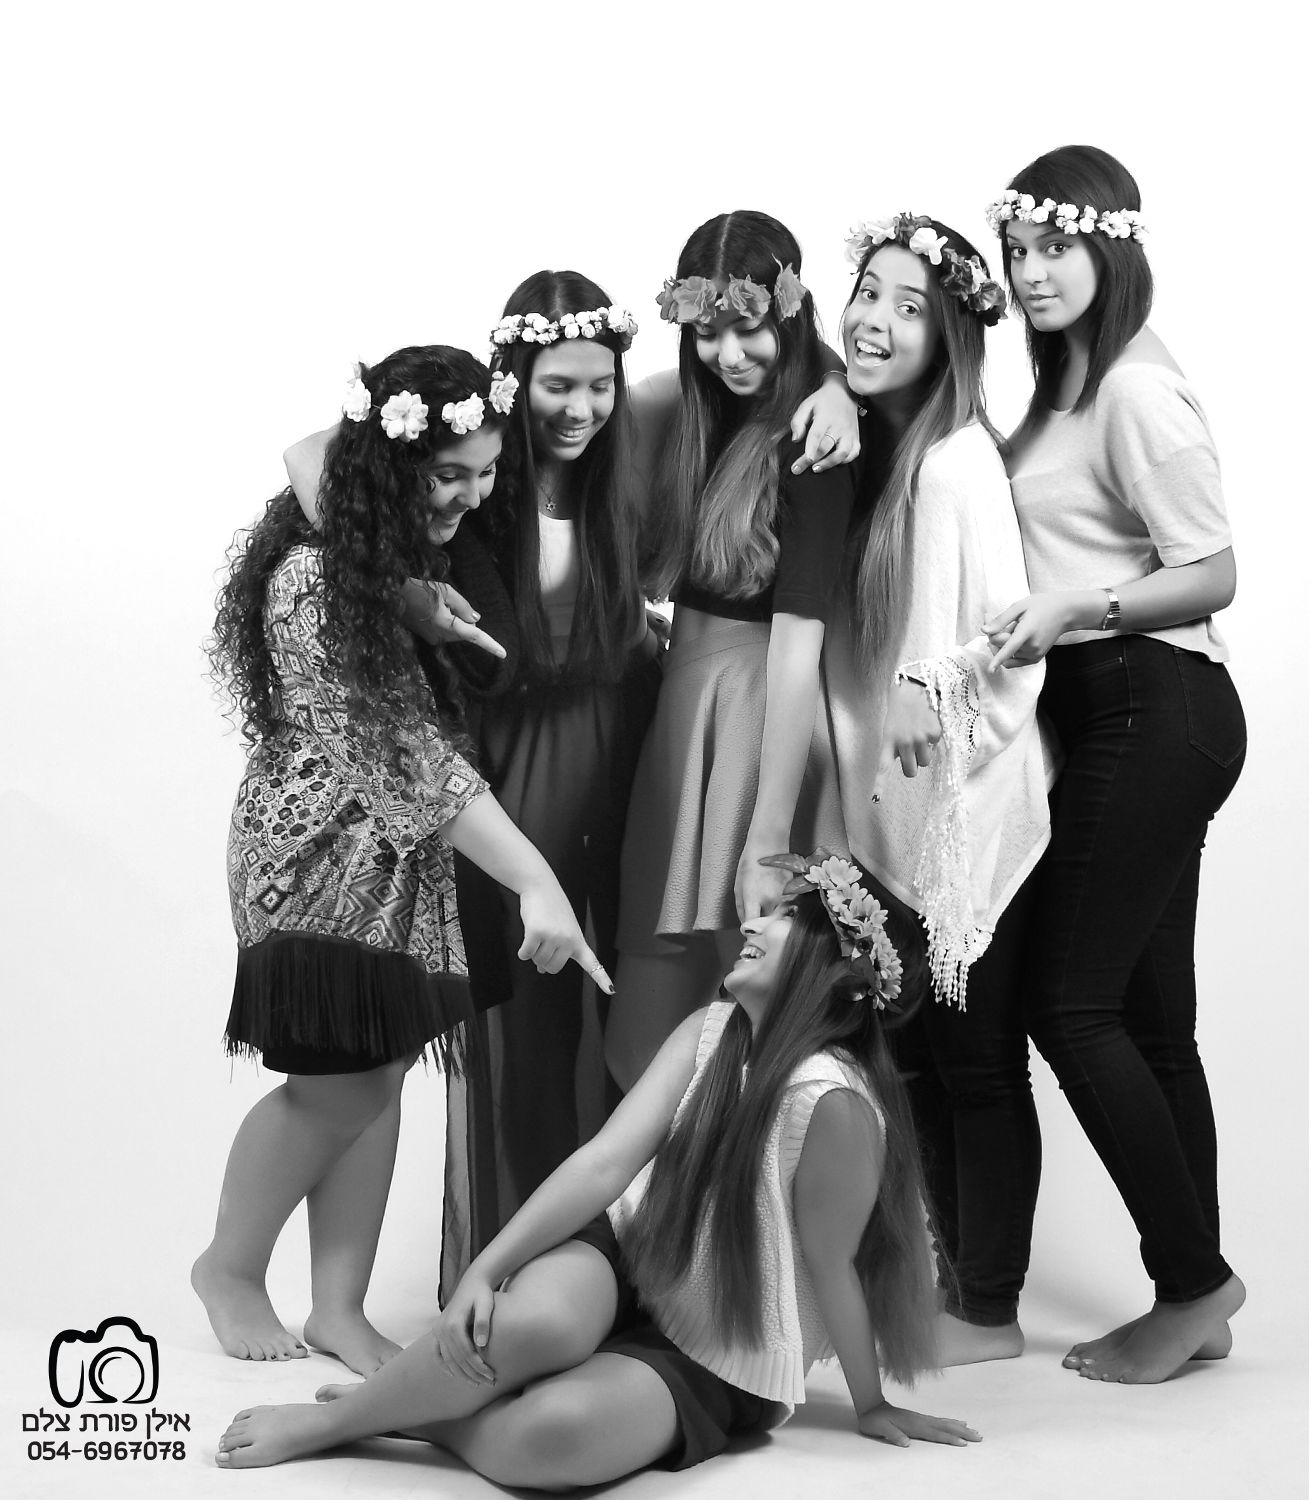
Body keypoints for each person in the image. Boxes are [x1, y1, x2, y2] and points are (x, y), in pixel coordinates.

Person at [284, 275, 858, 1288]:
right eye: (557, 386)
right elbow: (309, 456)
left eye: (598, 384)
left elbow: (760, 372)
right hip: (518, 753)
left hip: (627, 736)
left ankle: (634, 1257)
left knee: (629, 994)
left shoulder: (629, 431)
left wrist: (842, 389)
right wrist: (399, 587)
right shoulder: (482, 464)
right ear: (515, 381)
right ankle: (521, 1260)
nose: (581, 408)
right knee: (534, 1000)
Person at [214, 852, 981, 1483]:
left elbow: (833, 1265)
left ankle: (432, 1419)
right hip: (627, 1257)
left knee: (552, 1437)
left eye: (782, 917)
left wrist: (869, 1403)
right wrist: (484, 1269)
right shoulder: (711, 1030)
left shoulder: (831, 1100)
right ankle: (338, 1421)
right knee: (532, 1323)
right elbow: (603, 1163)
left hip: (722, 1343)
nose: (751, 922)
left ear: (839, 971)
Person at [194, 346, 610, 1376]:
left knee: (376, 1080)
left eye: (486, 473)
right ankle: (229, 1269)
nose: (471, 495)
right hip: (311, 860)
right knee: (331, 1090)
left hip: (393, 861)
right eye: (447, 475)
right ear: (390, 470)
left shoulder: (388, 568)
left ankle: (337, 1308)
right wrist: (534, 877)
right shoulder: (311, 578)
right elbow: (401, 754)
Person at [982, 145, 1246, 1383]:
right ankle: (1197, 1294)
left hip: (1153, 702)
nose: (1031, 273)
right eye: (1018, 251)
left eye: (1055, 248)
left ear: (1111, 248)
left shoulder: (1135, 387)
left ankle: (1190, 1284)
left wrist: (1075, 608)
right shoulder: (1062, 384)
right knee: (1151, 1022)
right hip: (1109, 712)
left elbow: (1213, 569)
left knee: (1067, 1004)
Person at [823, 213, 1052, 1364]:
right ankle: (951, 1281)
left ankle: (991, 1309)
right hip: (895, 815)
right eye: (869, 291)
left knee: (976, 1064)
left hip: (968, 809)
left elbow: (1013, 641)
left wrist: (929, 681)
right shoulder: (878, 446)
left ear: (950, 335)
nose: (875, 319)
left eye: (909, 307)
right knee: (913, 1058)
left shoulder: (959, 461)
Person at [607, 211, 857, 1089]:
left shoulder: (814, 438)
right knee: (647, 1031)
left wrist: (766, 840)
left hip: (753, 717)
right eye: (706, 333)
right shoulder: (694, 410)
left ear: (789, 312)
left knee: (752, 1014)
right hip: (687, 712)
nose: (727, 354)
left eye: (747, 328)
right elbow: (582, 404)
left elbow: (796, 650)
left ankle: (753, 1176)